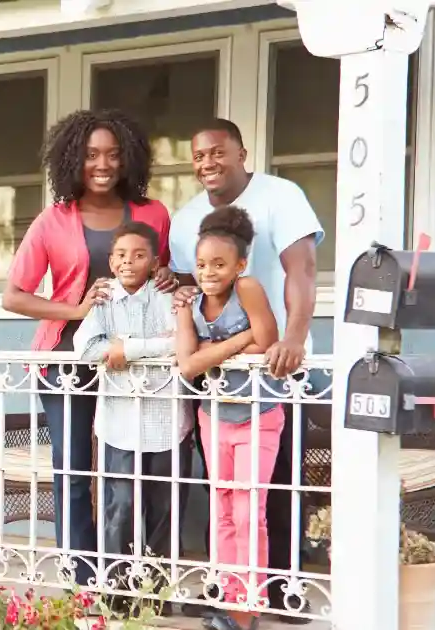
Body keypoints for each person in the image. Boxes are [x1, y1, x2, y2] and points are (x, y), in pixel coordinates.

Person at [3, 109, 176, 586]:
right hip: (67, 359)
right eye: (91, 155)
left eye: (113, 155)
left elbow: (171, 278)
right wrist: (74, 311)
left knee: (144, 468)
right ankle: (83, 575)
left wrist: (168, 275)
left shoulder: (153, 213)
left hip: (138, 364)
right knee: (75, 469)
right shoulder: (52, 220)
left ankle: (139, 572)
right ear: (72, 159)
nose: (103, 164)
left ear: (129, 159)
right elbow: (13, 295)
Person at [168, 119, 322, 624]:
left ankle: (278, 594)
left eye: (218, 152)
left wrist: (293, 338)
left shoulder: (281, 195)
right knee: (226, 493)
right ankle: (231, 590)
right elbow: (196, 291)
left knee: (272, 491)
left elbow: (302, 269)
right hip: (218, 383)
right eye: (198, 155)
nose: (208, 163)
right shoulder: (188, 217)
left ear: (241, 153)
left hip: (277, 370)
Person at [72, 222, 191, 617]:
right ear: (111, 260)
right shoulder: (103, 300)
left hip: (167, 423)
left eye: (139, 255)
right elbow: (86, 349)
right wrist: (125, 349)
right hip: (119, 424)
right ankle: (117, 595)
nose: (129, 262)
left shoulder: (167, 296)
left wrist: (128, 348)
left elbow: (182, 343)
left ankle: (157, 595)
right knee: (120, 507)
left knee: (164, 508)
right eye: (121, 255)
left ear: (155, 261)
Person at [175, 206, 285, 630]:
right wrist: (242, 340)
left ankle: (247, 607)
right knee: (221, 508)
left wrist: (213, 351)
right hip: (213, 415)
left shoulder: (249, 288)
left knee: (248, 511)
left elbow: (270, 340)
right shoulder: (188, 303)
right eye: (201, 264)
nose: (208, 272)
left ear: (240, 264)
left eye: (219, 264)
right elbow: (188, 366)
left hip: (259, 413)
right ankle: (226, 595)